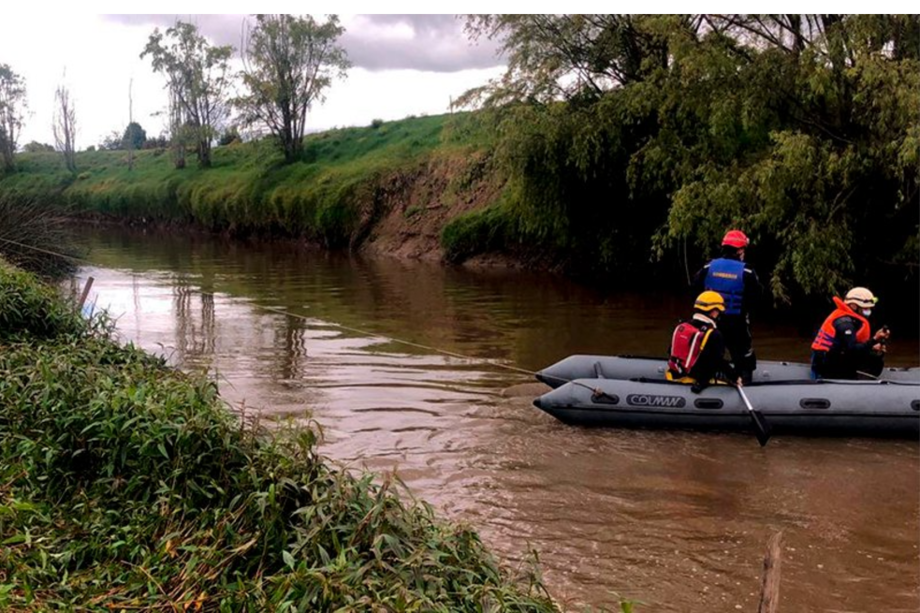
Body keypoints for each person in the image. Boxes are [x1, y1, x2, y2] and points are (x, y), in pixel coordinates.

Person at [692, 229, 763, 384]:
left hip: (710, 319)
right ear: (739, 250)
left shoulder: (708, 266)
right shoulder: (747, 271)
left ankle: (709, 378)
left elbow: (696, 287)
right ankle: (744, 381)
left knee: (710, 350)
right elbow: (756, 297)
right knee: (743, 354)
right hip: (736, 321)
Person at [667, 291, 740, 393]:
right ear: (714, 312)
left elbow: (671, 350)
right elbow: (716, 362)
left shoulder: (682, 326)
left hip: (674, 373)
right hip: (695, 377)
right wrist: (734, 376)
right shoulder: (714, 334)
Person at [811, 287, 890, 380]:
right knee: (870, 359)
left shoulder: (849, 318)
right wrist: (874, 339)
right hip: (826, 364)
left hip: (836, 354)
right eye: (865, 308)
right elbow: (852, 350)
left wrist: (872, 346)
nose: (868, 311)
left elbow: (847, 344)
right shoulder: (845, 324)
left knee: (873, 355)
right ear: (853, 306)